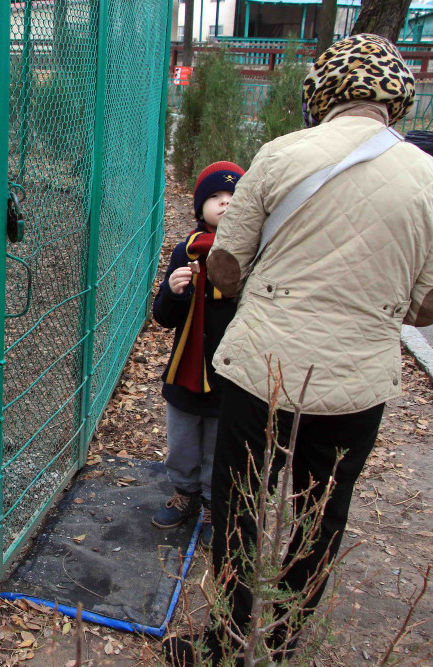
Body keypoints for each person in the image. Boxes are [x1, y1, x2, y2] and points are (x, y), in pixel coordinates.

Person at [165, 33, 433, 666]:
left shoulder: (281, 154)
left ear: (321, 91)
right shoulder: (432, 178)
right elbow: (430, 306)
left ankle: (225, 642)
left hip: (263, 366)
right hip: (357, 378)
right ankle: (284, 641)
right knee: (322, 513)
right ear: (397, 99)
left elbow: (226, 263)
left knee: (239, 501)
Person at [151, 161, 244, 550]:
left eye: (233, 196)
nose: (225, 203)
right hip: (187, 369)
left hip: (231, 371)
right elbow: (162, 317)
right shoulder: (185, 252)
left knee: (220, 444)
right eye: (215, 196)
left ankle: (211, 504)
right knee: (184, 438)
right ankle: (185, 493)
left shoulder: (252, 254)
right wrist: (174, 292)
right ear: (199, 206)